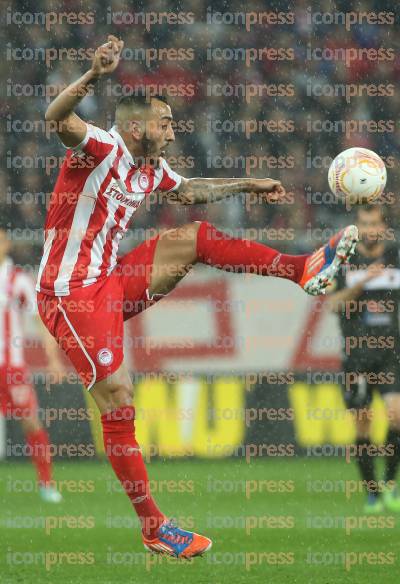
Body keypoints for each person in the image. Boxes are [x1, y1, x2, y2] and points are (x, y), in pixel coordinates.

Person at [36, 35, 358, 558]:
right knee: (118, 398)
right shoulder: (102, 147)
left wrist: (247, 185)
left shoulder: (149, 170)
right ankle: (154, 526)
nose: (171, 130)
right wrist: (95, 74)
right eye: (164, 123)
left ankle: (302, 270)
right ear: (137, 126)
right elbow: (56, 117)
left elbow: (189, 190)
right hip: (69, 294)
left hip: (110, 279)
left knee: (196, 236)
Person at [327, 204, 400, 513]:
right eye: (364, 223)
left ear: (383, 227)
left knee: (396, 414)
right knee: (362, 425)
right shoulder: (346, 259)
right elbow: (332, 304)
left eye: (374, 223)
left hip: (391, 354)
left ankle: (391, 485)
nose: (370, 229)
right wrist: (361, 283)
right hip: (356, 356)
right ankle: (372, 491)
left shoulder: (396, 256)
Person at [0, 227, 65, 502]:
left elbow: (40, 320)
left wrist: (53, 360)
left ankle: (46, 484)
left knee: (30, 422)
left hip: (12, 368)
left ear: (6, 241)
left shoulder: (18, 280)